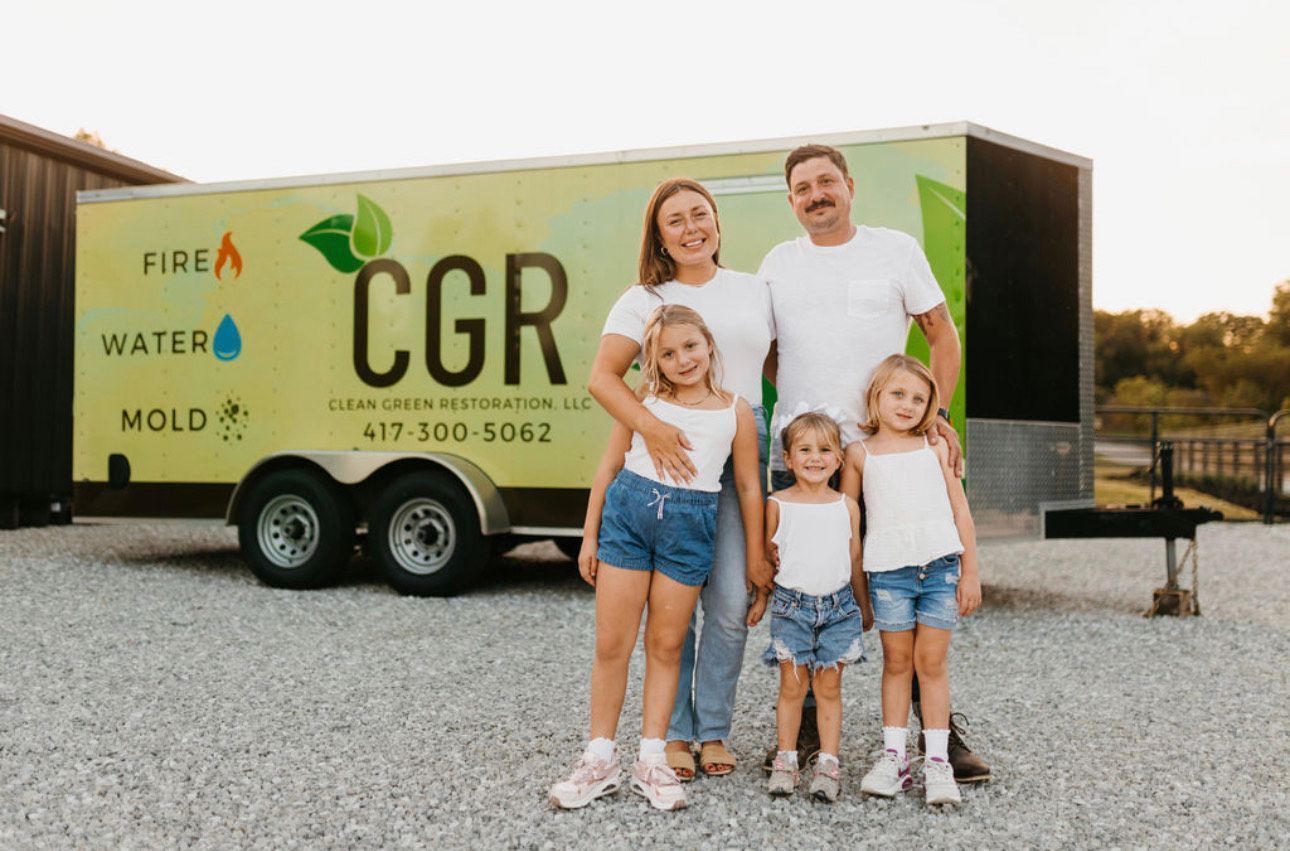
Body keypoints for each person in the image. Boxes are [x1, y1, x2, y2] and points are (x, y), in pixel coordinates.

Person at [758, 143, 990, 784]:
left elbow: (942, 333)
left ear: (849, 187)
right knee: (802, 589)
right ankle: (804, 729)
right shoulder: (778, 263)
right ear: (791, 200)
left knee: (905, 588)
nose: (815, 194)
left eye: (825, 181)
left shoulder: (894, 251)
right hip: (804, 457)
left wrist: (932, 416)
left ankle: (936, 738)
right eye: (802, 187)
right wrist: (807, 411)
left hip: (885, 455)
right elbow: (770, 351)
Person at [587, 178, 775, 781]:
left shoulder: (755, 290)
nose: (691, 227)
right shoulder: (642, 298)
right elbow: (604, 378)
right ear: (660, 236)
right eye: (676, 220)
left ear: (717, 221)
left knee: (727, 602)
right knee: (676, 606)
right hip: (670, 450)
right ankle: (672, 732)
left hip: (740, 432)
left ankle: (714, 727)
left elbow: (788, 366)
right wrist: (654, 428)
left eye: (701, 214)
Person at [549, 305, 765, 812]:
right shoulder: (645, 400)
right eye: (667, 353)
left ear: (709, 345)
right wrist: (589, 534)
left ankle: (652, 757)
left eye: (690, 346)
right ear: (655, 362)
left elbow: (750, 488)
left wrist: (757, 557)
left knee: (666, 646)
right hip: (628, 518)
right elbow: (610, 464)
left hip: (690, 530)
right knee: (612, 645)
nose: (682, 359)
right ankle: (598, 758)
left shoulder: (735, 410)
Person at [840, 355, 981, 806]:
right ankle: (894, 758)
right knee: (897, 663)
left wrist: (971, 571)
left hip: (939, 568)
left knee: (932, 664)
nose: (907, 405)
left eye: (919, 399)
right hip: (888, 574)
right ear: (876, 397)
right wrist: (858, 592)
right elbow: (848, 522)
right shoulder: (859, 454)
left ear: (930, 407)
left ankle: (938, 763)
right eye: (897, 394)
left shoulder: (936, 449)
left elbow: (960, 510)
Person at [747, 412, 870, 803]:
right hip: (791, 607)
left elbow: (854, 559)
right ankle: (786, 761)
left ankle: (828, 763)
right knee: (792, 686)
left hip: (839, 608)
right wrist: (762, 599)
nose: (815, 458)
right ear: (787, 458)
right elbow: (770, 557)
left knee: (829, 687)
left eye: (825, 450)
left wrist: (863, 605)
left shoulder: (847, 506)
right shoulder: (777, 504)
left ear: (838, 459)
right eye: (804, 450)